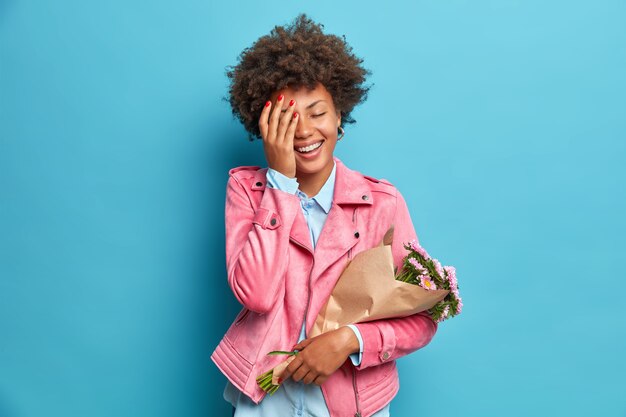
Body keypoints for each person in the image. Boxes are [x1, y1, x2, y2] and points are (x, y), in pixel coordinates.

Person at [211, 14, 439, 417]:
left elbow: (422, 317)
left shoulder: (382, 203)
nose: (303, 131)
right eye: (286, 118)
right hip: (265, 402)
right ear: (264, 126)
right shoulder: (247, 191)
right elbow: (258, 295)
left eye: (317, 113)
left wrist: (349, 340)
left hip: (354, 403)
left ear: (340, 118)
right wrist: (280, 184)